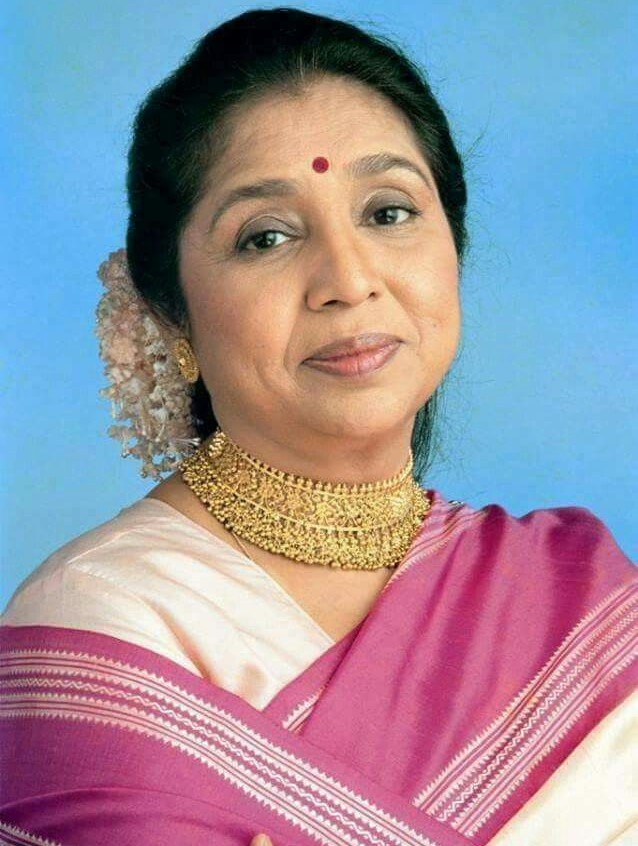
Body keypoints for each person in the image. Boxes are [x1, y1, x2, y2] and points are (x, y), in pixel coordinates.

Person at [1, 8, 635, 846]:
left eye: (388, 213)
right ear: (172, 314)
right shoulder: (103, 628)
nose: (348, 278)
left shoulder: (579, 598)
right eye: (267, 236)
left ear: (454, 247)